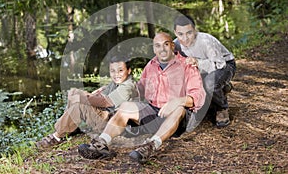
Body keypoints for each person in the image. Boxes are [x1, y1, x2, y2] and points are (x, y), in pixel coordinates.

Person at [77, 32, 206, 163]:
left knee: (179, 108)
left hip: (177, 119)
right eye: (157, 46)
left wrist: (177, 101)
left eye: (166, 44)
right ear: (154, 49)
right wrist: (111, 89)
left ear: (172, 46)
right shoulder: (151, 65)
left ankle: (151, 146)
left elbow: (198, 97)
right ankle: (101, 144)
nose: (162, 49)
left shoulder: (187, 66)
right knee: (126, 107)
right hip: (153, 112)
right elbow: (140, 89)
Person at [35, 55, 138, 148]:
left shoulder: (128, 86)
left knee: (79, 105)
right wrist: (89, 94)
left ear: (128, 70)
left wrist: (83, 99)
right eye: (113, 71)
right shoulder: (116, 82)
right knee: (74, 92)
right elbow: (100, 95)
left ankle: (56, 137)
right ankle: (71, 127)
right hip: (107, 115)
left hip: (115, 124)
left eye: (120, 70)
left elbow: (106, 102)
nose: (116, 74)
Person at [173, 14, 236, 127]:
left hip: (225, 65)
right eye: (180, 34)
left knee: (210, 83)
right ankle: (222, 88)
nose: (185, 38)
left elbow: (220, 64)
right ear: (175, 33)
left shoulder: (206, 41)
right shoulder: (176, 45)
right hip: (202, 71)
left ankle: (222, 108)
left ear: (195, 30)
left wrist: (198, 62)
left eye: (189, 33)